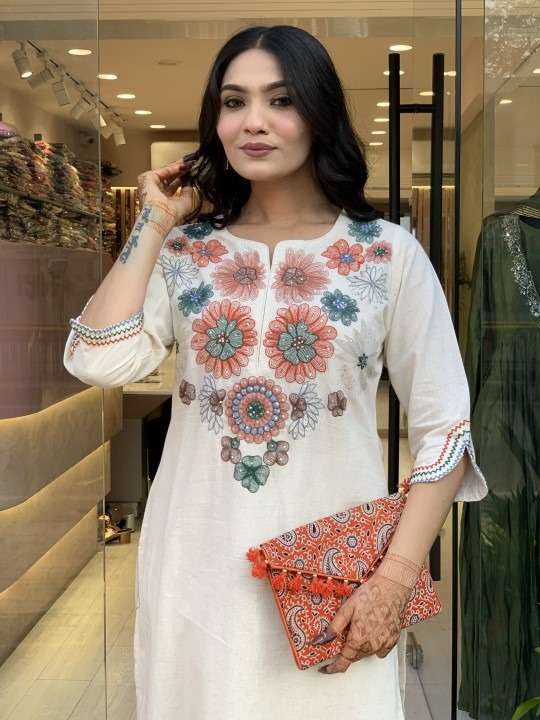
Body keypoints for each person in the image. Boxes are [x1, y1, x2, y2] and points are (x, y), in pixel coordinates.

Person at [63, 25, 488, 720]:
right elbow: (96, 358)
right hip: (195, 566)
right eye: (234, 102)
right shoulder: (186, 253)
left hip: (333, 578)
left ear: (318, 114)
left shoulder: (386, 254)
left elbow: (446, 429)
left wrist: (394, 579)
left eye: (280, 100)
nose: (253, 121)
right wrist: (155, 222)